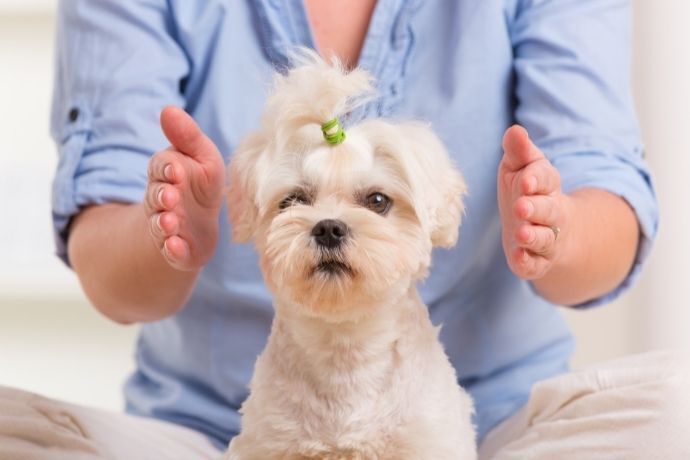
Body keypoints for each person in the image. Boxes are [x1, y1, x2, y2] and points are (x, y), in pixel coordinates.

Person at [1, 0, 688, 459]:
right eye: (297, 200)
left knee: (675, 408)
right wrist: (170, 236)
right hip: (201, 427)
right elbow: (112, 271)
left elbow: (606, 185)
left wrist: (557, 231)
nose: (329, 225)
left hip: (501, 424)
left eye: (375, 203)